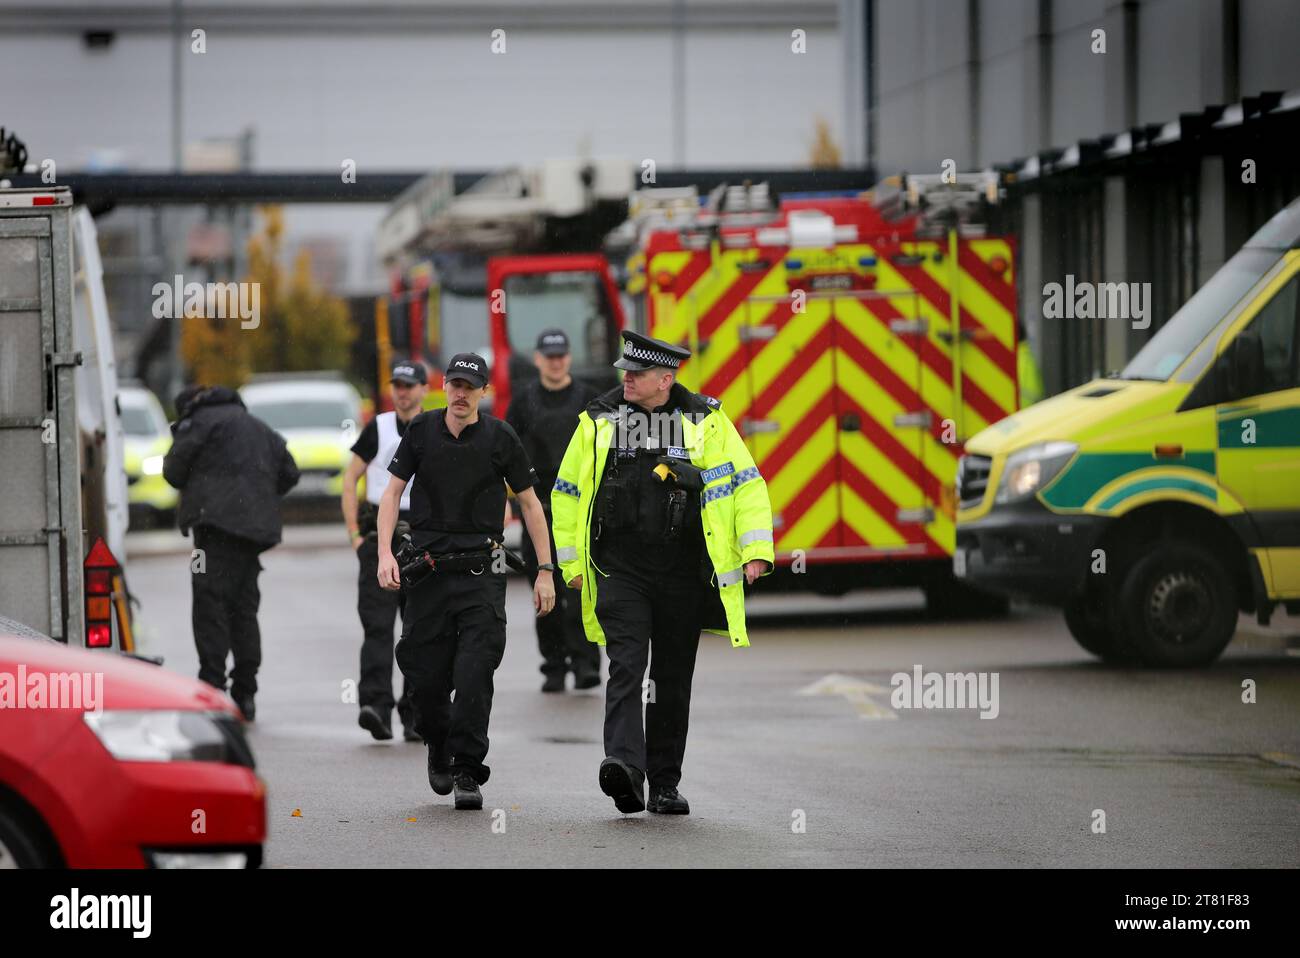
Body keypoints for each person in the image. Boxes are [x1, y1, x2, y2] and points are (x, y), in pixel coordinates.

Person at [551, 331, 775, 816]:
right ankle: (625, 769)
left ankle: (665, 783)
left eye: (637, 373)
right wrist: (571, 564)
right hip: (619, 570)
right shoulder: (599, 419)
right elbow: (567, 491)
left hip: (682, 573)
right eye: (625, 371)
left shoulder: (706, 420)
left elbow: (746, 485)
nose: (626, 378)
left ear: (666, 380)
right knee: (627, 667)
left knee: (672, 679)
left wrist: (755, 550)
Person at [376, 352, 557, 811]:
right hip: (428, 573)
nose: (460, 393)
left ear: (483, 392)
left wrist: (545, 571)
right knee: (426, 677)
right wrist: (383, 554)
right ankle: (438, 743)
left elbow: (532, 506)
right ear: (444, 387)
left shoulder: (501, 437)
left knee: (475, 673)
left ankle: (467, 770)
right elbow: (392, 493)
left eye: (469, 386)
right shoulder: (420, 431)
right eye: (454, 384)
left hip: (482, 573)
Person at [162, 384, 300, 721]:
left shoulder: (197, 423)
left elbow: (172, 472)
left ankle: (212, 688)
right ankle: (246, 692)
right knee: (244, 611)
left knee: (209, 607)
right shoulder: (257, 426)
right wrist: (257, 498)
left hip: (209, 538)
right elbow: (290, 472)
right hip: (250, 539)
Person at [505, 328, 602, 693]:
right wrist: (504, 502)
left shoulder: (590, 400)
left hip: (581, 512)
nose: (556, 361)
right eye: (550, 356)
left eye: (561, 355)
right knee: (545, 591)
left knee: (582, 591)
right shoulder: (524, 401)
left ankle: (587, 664)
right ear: (538, 359)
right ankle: (554, 667)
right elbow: (506, 454)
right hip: (539, 512)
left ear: (570, 358)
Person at [341, 359, 428, 742]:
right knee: (377, 627)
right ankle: (375, 707)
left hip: (422, 536)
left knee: (420, 630)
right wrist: (355, 537)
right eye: (398, 385)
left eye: (409, 385)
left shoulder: (434, 427)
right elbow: (350, 479)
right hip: (380, 533)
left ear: (424, 389)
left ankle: (416, 714)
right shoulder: (378, 427)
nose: (403, 391)